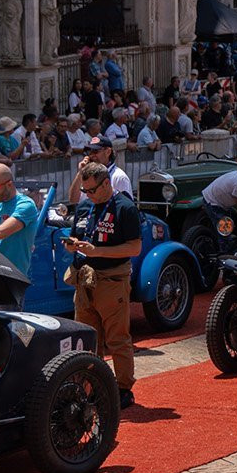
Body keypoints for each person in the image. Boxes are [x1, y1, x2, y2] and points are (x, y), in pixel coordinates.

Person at [65, 161, 139, 408]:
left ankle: (123, 388)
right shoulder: (85, 206)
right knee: (86, 340)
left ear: (106, 183)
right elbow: (79, 234)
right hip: (84, 279)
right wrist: (73, 244)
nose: (88, 195)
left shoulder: (125, 207)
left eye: (92, 190)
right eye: (85, 191)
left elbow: (135, 247)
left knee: (117, 338)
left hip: (111, 281)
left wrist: (99, 251)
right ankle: (93, 385)